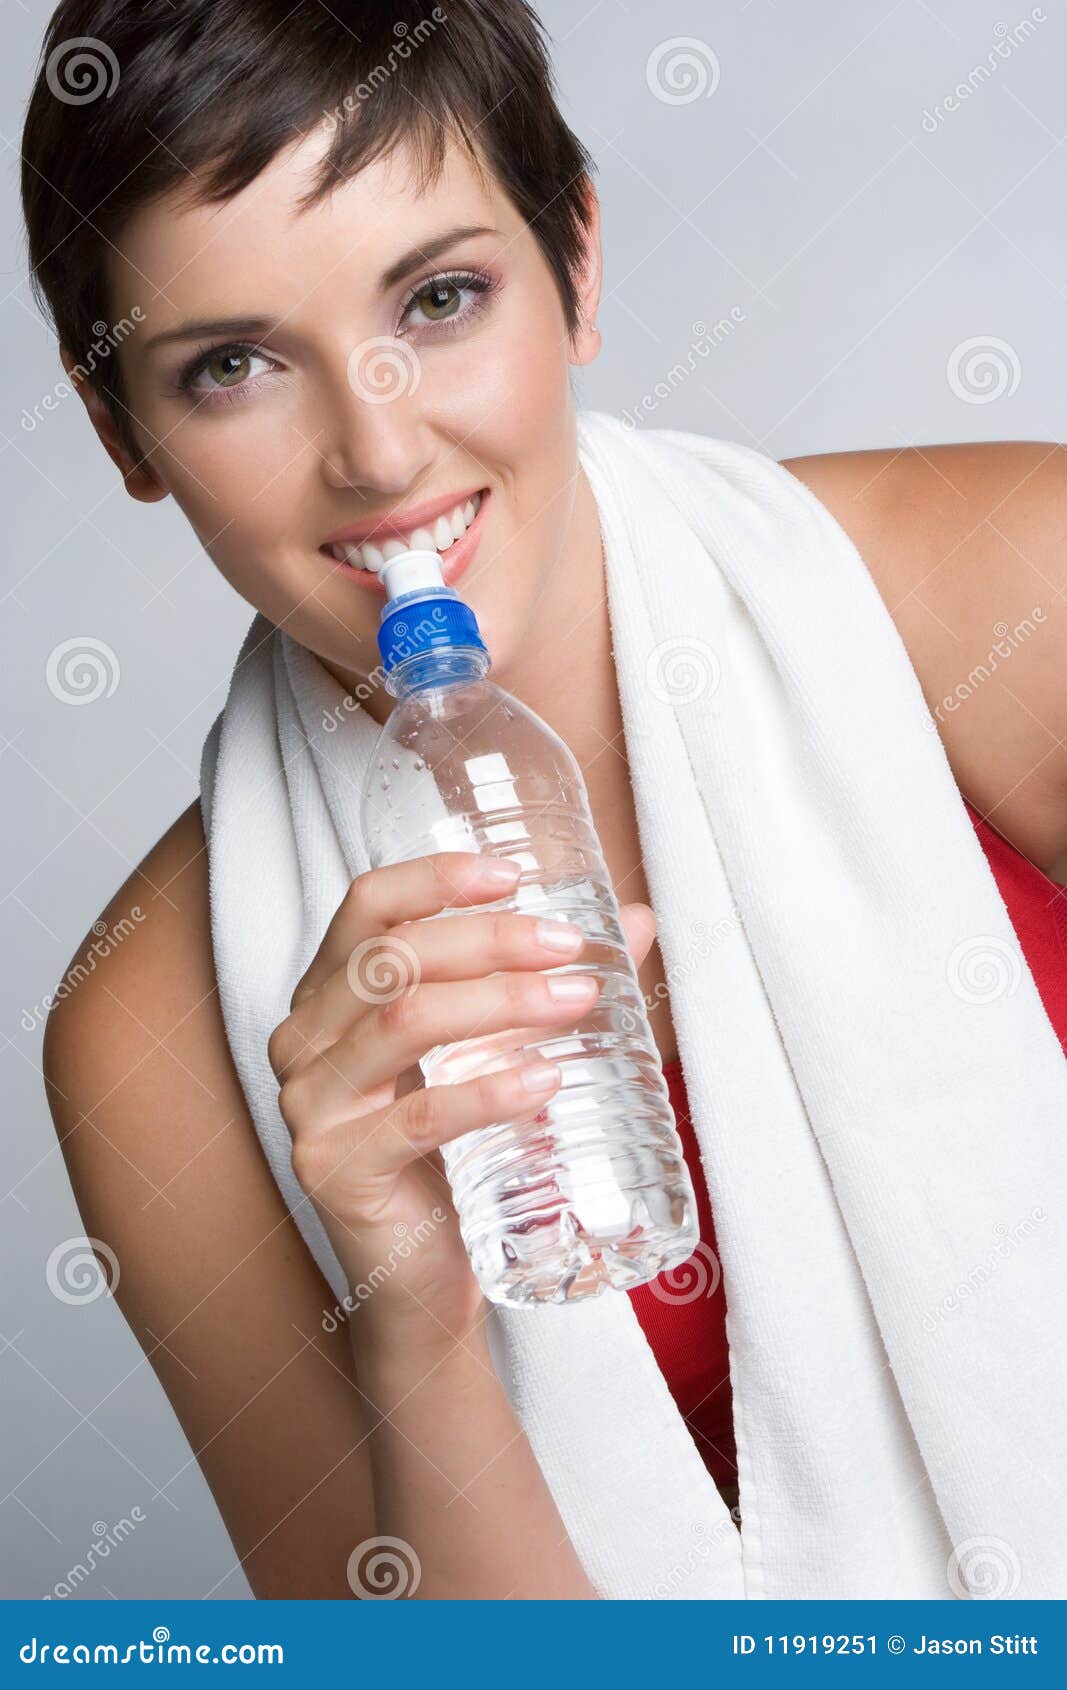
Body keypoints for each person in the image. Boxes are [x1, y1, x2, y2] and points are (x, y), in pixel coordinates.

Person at [25, 0, 1066, 1600]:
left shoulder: (1010, 597)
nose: (378, 453)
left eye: (440, 297)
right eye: (232, 364)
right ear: (125, 432)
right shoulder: (147, 1033)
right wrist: (418, 1322)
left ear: (575, 264)